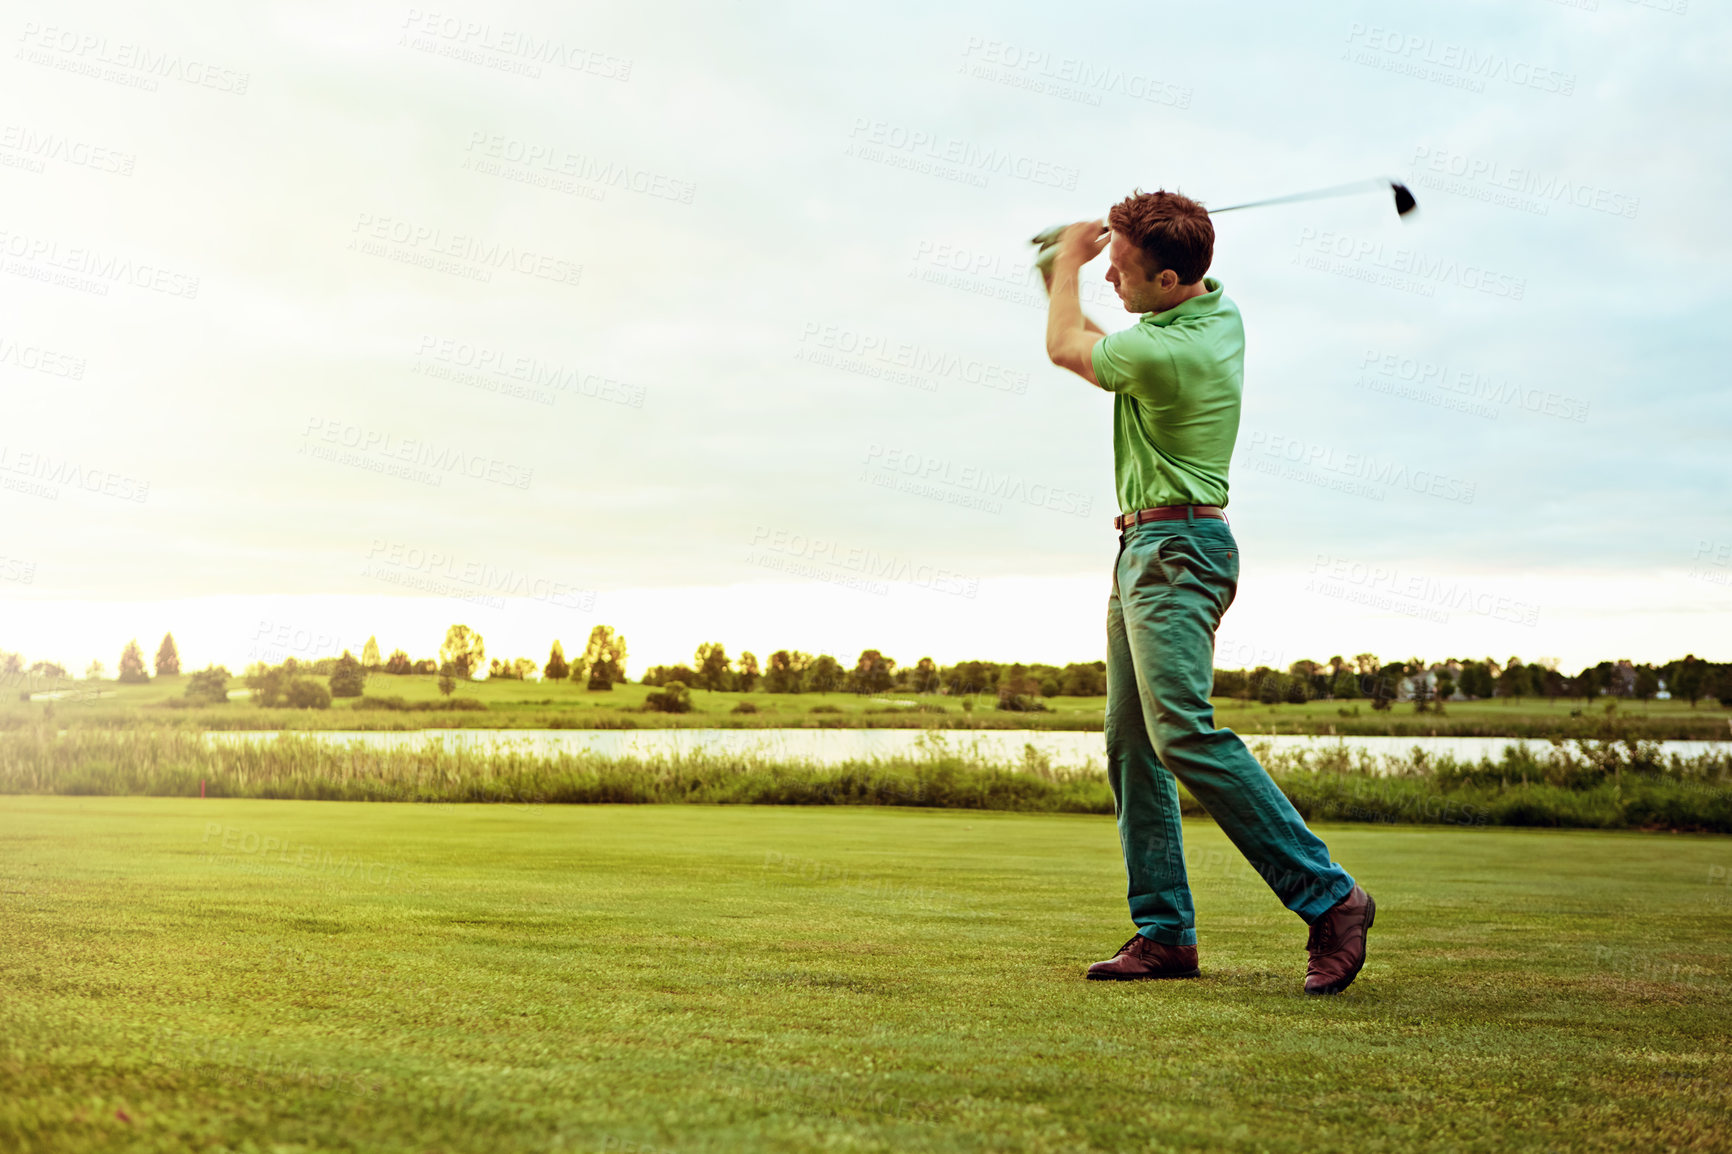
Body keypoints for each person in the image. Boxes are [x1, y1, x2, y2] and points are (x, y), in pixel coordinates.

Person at [1040, 188, 1375, 995]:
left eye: (1122, 271)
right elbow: (1093, 336)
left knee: (1182, 734)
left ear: (1166, 279)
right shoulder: (1211, 313)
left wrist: (1061, 271)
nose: (1112, 281)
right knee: (1133, 744)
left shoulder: (1166, 354)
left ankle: (1333, 899)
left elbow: (1066, 347)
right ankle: (1166, 935)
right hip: (1146, 549)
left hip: (1175, 551)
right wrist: (1080, 270)